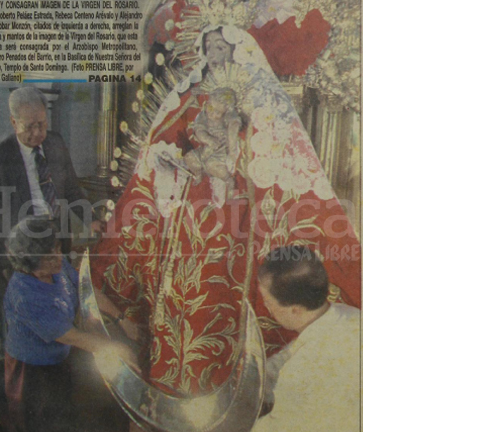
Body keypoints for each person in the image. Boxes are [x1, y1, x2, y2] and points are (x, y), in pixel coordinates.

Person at [91, 25, 361, 398]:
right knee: (178, 298)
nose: (215, 52)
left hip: (234, 223)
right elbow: (163, 142)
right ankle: (171, 379)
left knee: (221, 300)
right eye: (209, 46)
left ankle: (225, 385)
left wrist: (232, 160)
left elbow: (271, 158)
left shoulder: (260, 96)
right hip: (186, 218)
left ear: (237, 49)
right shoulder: (187, 94)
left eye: (221, 45)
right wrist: (175, 159)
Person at [0, 217, 138, 432]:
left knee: (52, 416)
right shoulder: (26, 295)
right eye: (49, 256)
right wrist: (117, 349)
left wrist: (121, 319)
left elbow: (86, 290)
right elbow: (70, 336)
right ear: (31, 263)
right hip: (31, 366)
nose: (58, 257)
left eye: (56, 249)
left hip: (58, 357)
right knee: (30, 422)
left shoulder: (57, 265)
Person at [0, 86, 103, 283]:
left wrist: (90, 219)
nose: (38, 132)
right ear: (14, 122)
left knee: (60, 298)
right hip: (19, 253)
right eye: (30, 126)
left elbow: (71, 189)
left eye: (42, 124)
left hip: (56, 245)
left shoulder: (56, 143)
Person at [253, 246, 360, 432]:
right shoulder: (351, 315)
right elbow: (288, 356)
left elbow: (277, 427)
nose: (267, 309)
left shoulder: (301, 370)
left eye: (268, 302)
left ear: (295, 309)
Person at [184, 87, 241, 200]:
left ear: (226, 112)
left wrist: (232, 150)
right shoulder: (203, 116)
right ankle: (199, 173)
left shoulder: (229, 117)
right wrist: (208, 139)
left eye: (217, 112)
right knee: (189, 157)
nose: (211, 113)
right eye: (210, 107)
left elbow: (234, 128)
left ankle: (228, 180)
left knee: (211, 165)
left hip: (221, 152)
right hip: (206, 149)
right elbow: (199, 130)